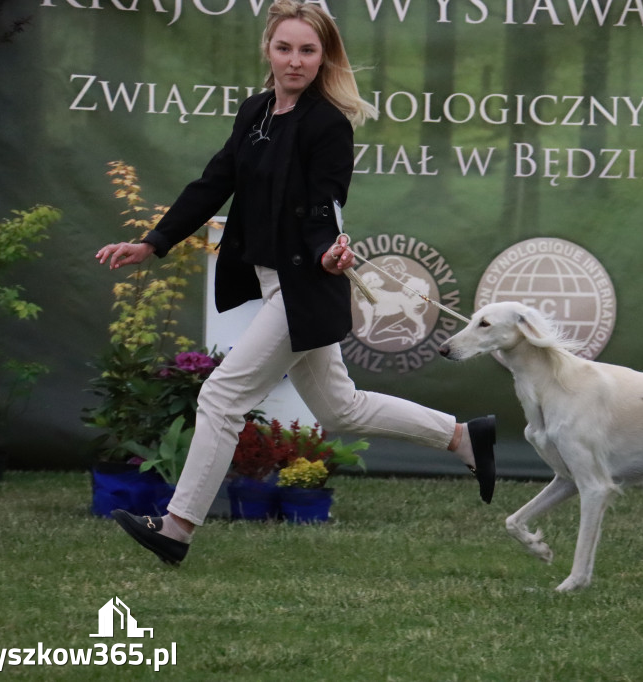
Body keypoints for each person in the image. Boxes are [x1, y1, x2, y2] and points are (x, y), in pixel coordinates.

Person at [94, 0, 496, 566]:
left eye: (308, 50)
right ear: (268, 49)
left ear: (324, 56)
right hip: (273, 278)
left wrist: (328, 252)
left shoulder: (327, 123)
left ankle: (177, 528)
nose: (296, 60)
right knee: (340, 409)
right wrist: (153, 241)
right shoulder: (256, 112)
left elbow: (324, 204)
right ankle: (460, 437)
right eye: (285, 48)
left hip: (308, 279)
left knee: (223, 394)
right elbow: (214, 183)